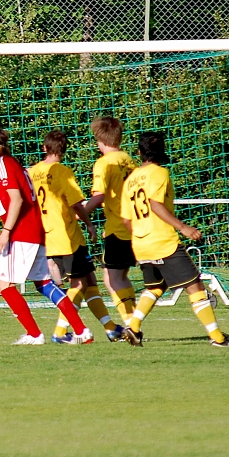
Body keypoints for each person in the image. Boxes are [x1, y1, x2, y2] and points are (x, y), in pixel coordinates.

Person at [120, 132, 229, 347]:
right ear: (162, 152)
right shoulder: (159, 173)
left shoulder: (130, 180)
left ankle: (134, 326)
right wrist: (183, 227)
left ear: (139, 152)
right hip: (162, 242)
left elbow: (125, 218)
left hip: (140, 243)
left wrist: (139, 235)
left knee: (156, 287)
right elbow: (155, 204)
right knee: (195, 286)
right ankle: (217, 338)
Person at [0, 126, 93, 345]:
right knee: (44, 283)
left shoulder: (1, 164)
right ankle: (81, 331)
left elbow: (16, 199)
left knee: (4, 285)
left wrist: (5, 233)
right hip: (36, 231)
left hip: (21, 233)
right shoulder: (15, 164)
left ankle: (34, 334)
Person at [28, 130, 124, 344]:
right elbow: (75, 204)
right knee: (78, 285)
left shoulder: (32, 172)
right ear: (64, 150)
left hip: (48, 235)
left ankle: (111, 328)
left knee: (89, 280)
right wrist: (89, 223)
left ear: (44, 148)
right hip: (67, 235)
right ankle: (60, 331)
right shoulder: (63, 172)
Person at [83, 117, 139, 325]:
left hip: (119, 227)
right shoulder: (128, 159)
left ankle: (132, 323)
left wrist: (80, 213)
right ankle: (134, 320)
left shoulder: (104, 163)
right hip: (134, 224)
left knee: (112, 278)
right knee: (120, 276)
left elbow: (98, 196)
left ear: (100, 139)